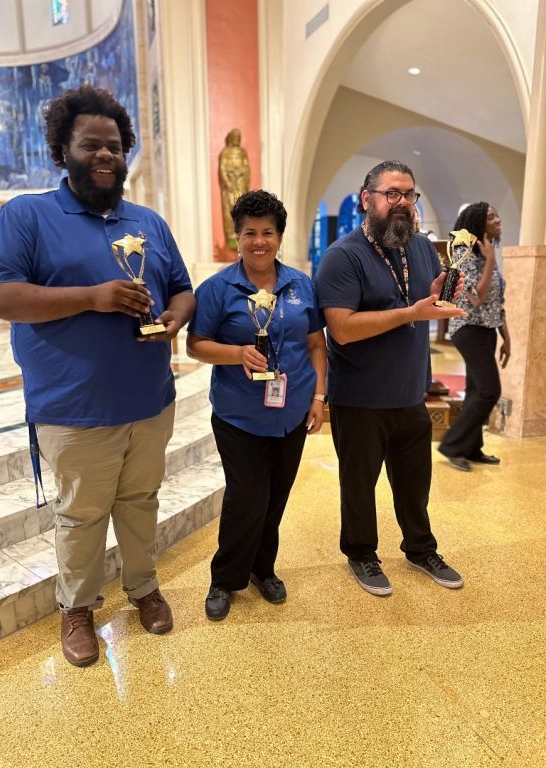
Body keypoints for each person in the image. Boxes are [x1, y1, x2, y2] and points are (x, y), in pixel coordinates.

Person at [0, 85, 195, 666]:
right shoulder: (27, 215)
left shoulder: (147, 221)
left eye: (116, 147)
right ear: (63, 151)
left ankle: (144, 587)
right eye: (91, 145)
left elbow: (181, 287)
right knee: (80, 515)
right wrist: (93, 298)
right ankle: (77, 608)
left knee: (142, 500)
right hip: (73, 407)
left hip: (149, 399)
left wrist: (176, 317)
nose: (105, 156)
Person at [315, 160, 467, 597]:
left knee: (415, 484)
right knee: (359, 487)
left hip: (410, 394)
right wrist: (410, 313)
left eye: (409, 195)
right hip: (360, 398)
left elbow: (421, 300)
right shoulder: (342, 256)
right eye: (392, 194)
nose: (402, 203)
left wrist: (437, 296)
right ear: (368, 200)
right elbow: (341, 328)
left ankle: (421, 549)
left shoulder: (419, 247)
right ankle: (362, 554)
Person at [187, 190, 327, 620]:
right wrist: (236, 353)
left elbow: (316, 344)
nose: (259, 241)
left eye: (267, 232)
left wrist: (319, 396)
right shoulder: (217, 289)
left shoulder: (301, 285)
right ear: (238, 237)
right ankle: (224, 578)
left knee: (276, 497)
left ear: (279, 237)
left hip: (292, 412)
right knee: (246, 498)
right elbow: (196, 345)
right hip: (239, 415)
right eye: (250, 232)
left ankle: (263, 570)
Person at [438, 202, 510, 471]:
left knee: (476, 390)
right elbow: (477, 299)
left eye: (496, 214)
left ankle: (471, 448)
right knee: (490, 390)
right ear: (479, 223)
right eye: (491, 217)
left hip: (487, 329)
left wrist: (507, 338)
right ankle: (452, 446)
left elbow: (496, 302)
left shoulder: (485, 254)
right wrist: (490, 260)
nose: (498, 219)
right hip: (468, 330)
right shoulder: (464, 255)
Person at [218, 128, 250, 250]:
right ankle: (232, 236)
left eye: (239, 137)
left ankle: (242, 233)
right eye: (235, 137)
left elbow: (247, 168)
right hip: (231, 188)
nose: (237, 140)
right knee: (230, 210)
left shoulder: (242, 152)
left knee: (241, 210)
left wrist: (243, 177)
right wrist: (228, 182)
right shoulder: (225, 153)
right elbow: (222, 169)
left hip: (240, 186)